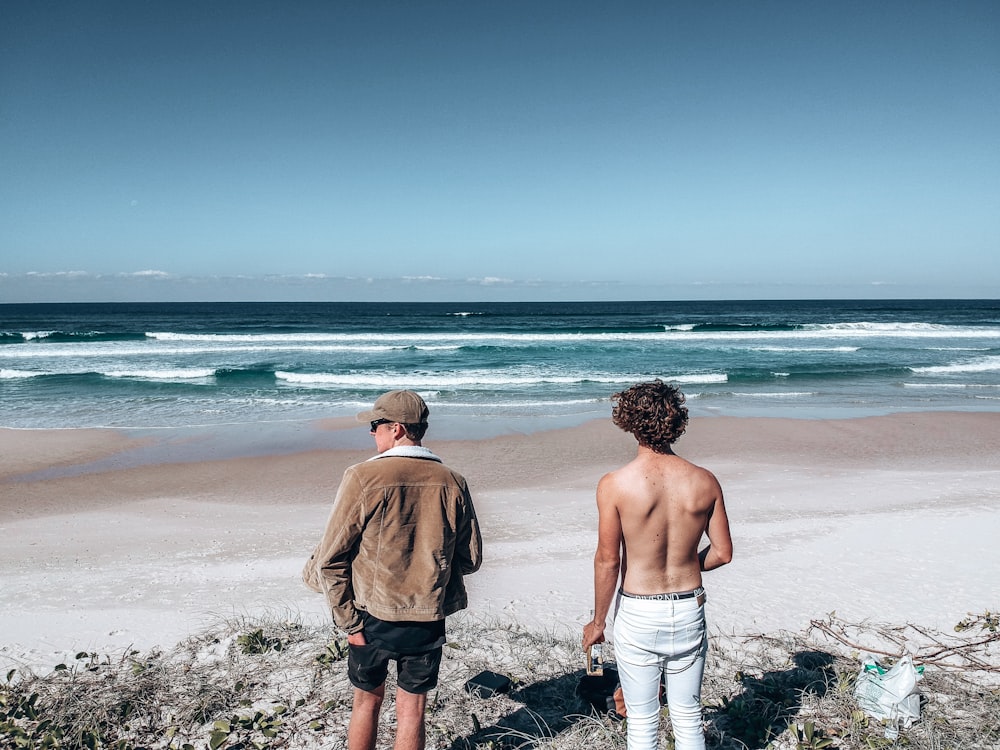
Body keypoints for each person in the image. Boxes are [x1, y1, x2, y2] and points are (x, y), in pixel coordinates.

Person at [303, 390, 482, 750]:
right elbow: (471, 558)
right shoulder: (452, 480)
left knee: (367, 702)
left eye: (375, 426)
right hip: (427, 618)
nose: (372, 434)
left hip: (371, 616)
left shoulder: (363, 477)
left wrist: (350, 625)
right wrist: (430, 570)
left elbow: (330, 559)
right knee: (413, 711)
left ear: (397, 429)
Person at [582, 380, 733, 750]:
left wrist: (598, 622)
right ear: (677, 420)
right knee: (687, 716)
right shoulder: (705, 481)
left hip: (639, 610)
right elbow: (722, 553)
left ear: (629, 422)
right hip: (688, 607)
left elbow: (608, 560)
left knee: (643, 719)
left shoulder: (615, 484)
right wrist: (686, 564)